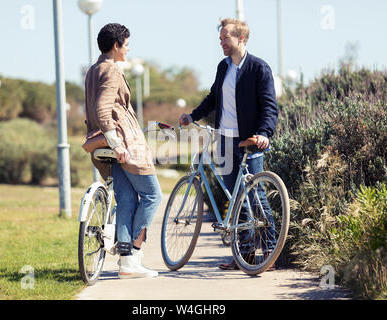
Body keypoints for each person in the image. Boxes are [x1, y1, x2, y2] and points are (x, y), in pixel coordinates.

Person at [179, 18, 278, 270]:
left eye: (225, 38)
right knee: (236, 200)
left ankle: (270, 252)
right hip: (224, 139)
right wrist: (193, 115)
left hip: (250, 141)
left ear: (241, 39)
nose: (221, 42)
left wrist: (264, 132)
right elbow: (213, 97)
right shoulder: (223, 67)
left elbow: (269, 107)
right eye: (220, 38)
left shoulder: (259, 68)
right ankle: (243, 256)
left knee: (255, 194)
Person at [84, 23, 162, 278]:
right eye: (126, 44)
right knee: (153, 196)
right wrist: (118, 145)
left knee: (127, 200)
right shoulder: (112, 70)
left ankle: (127, 263)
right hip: (123, 143)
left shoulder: (92, 70)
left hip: (101, 143)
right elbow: (102, 110)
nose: (128, 48)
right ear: (116, 46)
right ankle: (135, 253)